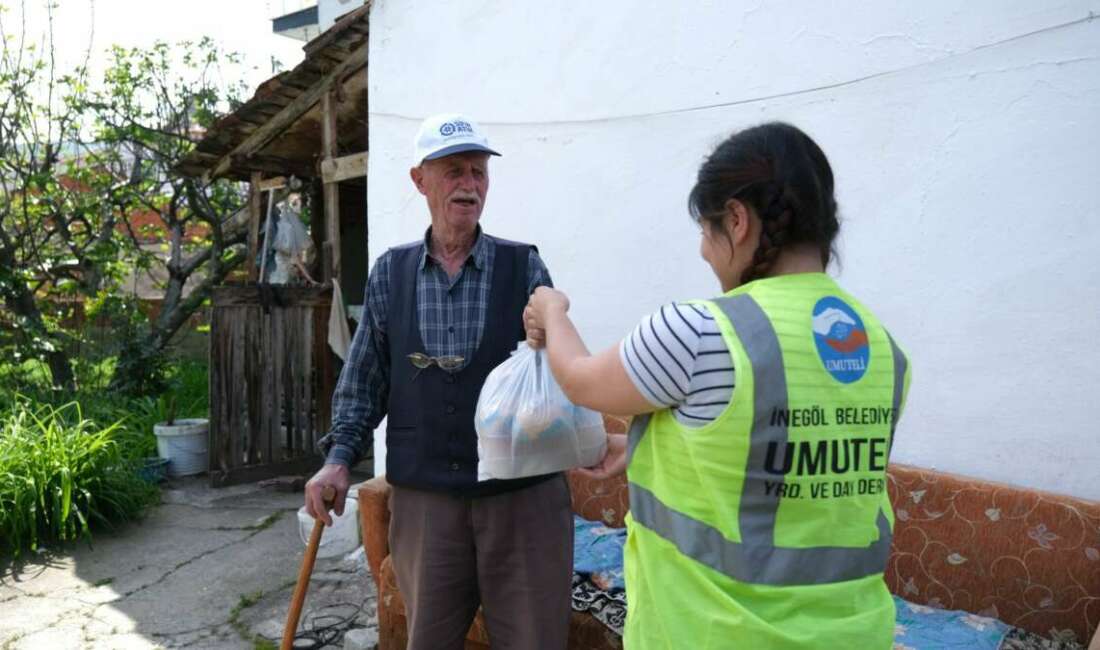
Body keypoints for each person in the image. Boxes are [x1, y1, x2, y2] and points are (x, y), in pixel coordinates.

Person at [524, 122, 911, 649]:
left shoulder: (699, 331)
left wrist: (553, 309)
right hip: (853, 635)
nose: (706, 253)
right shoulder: (886, 351)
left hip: (714, 634)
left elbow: (580, 380)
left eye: (707, 232)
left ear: (737, 219)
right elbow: (790, 464)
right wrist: (645, 447)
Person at [306, 113, 573, 650]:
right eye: (453, 171)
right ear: (419, 180)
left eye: (478, 172)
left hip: (521, 501)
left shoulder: (524, 266)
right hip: (427, 504)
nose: (469, 185)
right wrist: (338, 458)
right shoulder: (390, 272)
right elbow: (365, 379)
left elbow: (556, 372)